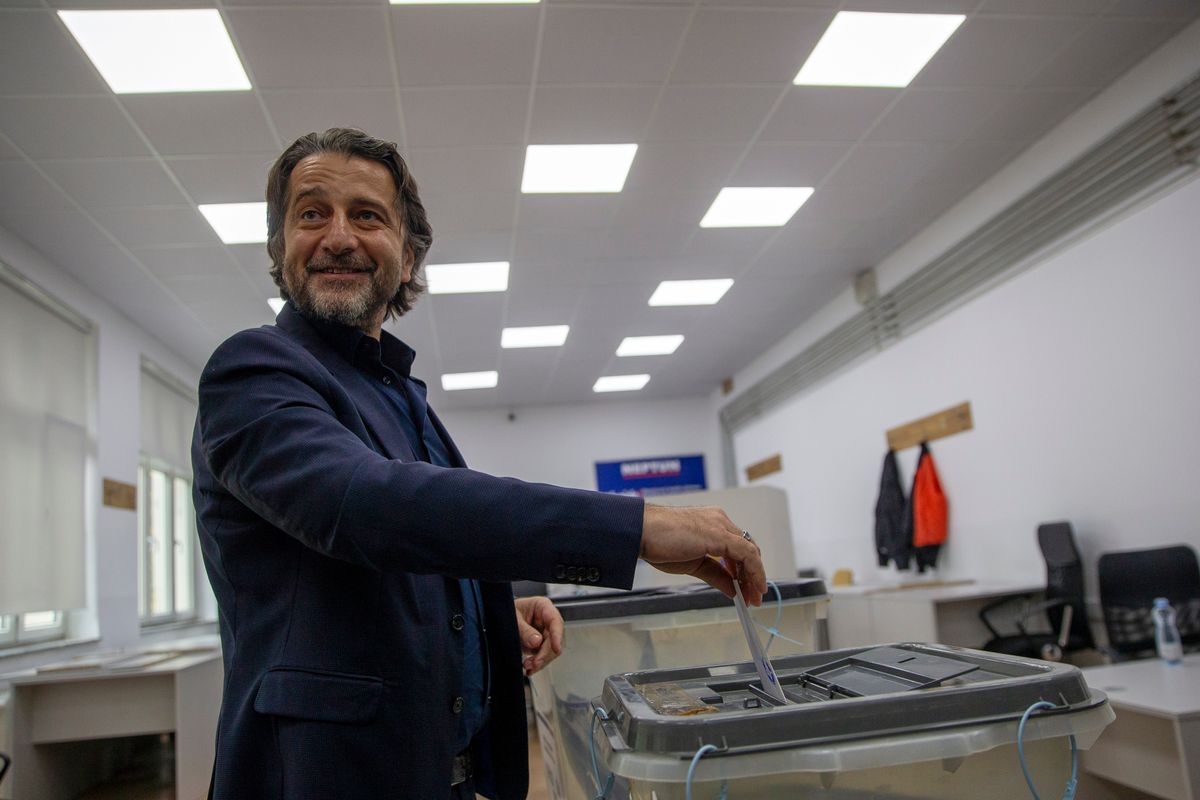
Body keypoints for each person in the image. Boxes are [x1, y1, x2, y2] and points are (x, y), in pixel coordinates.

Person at [191, 127, 765, 800]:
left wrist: (480, 613)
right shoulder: (254, 370)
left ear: (408, 256)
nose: (339, 236)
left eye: (367, 216)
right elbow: (365, 506)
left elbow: (405, 549)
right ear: (279, 247)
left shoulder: (400, 397)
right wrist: (637, 526)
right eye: (312, 213)